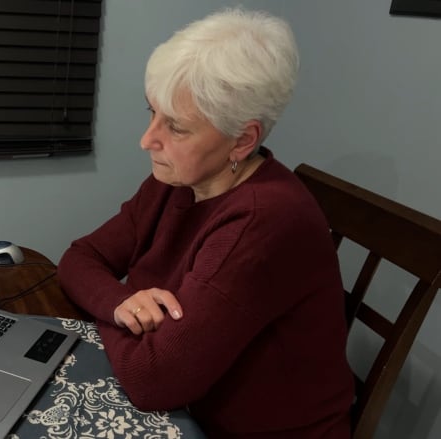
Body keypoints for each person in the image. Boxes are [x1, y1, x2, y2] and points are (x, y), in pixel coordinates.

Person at [57, 7, 354, 439]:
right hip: (190, 406)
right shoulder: (178, 180)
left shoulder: (262, 223)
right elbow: (80, 258)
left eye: (176, 127)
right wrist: (122, 304)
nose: (147, 140)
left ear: (243, 139)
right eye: (152, 113)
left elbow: (153, 380)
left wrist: (115, 310)